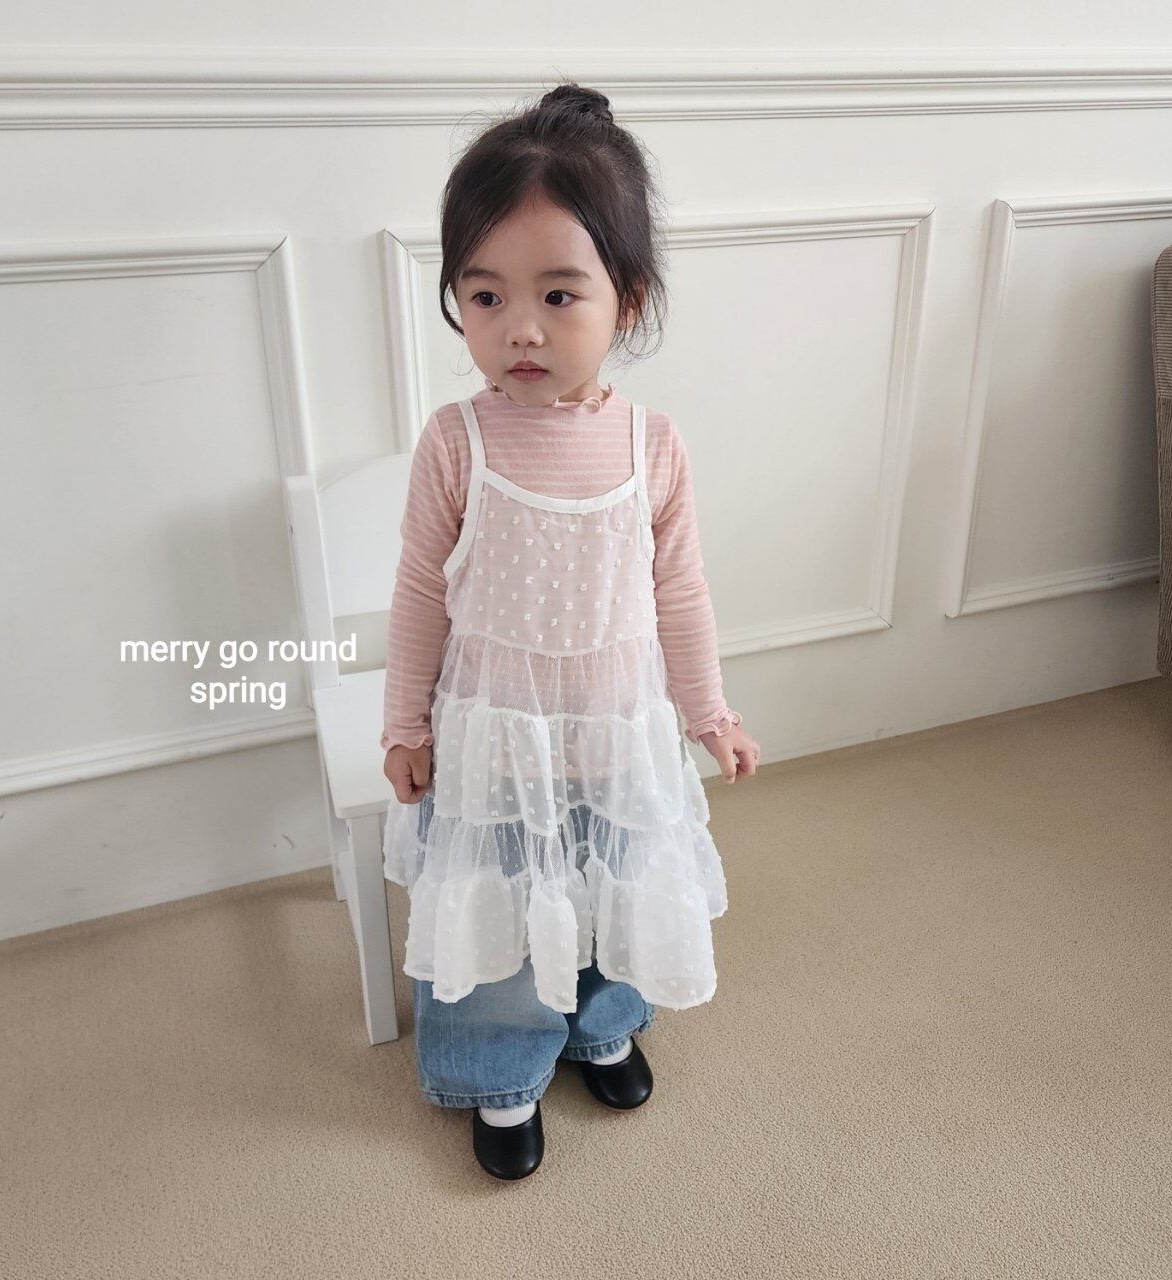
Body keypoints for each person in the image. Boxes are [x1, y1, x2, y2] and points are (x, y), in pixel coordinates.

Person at [379, 81, 761, 1179]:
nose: (521, 327)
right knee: (500, 900)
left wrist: (708, 712)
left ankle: (604, 1019)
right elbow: (420, 592)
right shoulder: (456, 442)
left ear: (625, 300)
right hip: (495, 734)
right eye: (485, 294)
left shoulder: (653, 443)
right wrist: (405, 723)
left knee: (614, 877)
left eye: (557, 293)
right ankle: (497, 1065)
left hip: (614, 727)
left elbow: (680, 593)